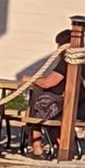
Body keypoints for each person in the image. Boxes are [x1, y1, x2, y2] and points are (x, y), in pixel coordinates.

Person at [26, 29, 71, 157]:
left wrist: (30, 79)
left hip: (63, 105)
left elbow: (48, 83)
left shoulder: (67, 62)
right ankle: (58, 145)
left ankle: (37, 147)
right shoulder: (83, 61)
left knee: (38, 104)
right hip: (73, 103)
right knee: (39, 99)